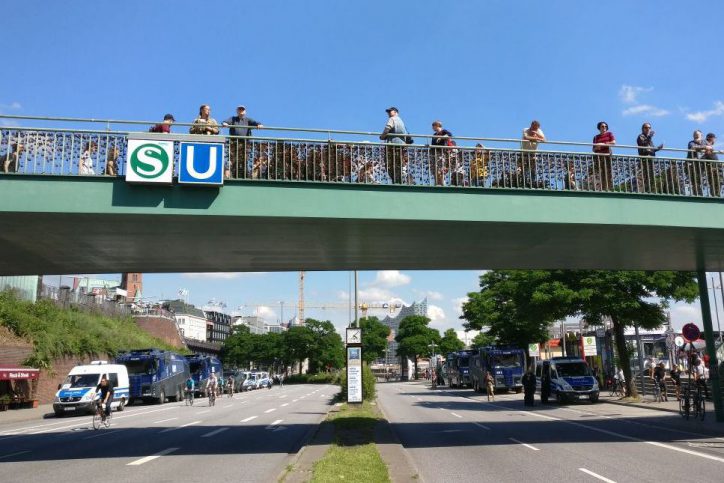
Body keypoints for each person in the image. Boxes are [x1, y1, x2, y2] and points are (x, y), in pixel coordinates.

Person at [223, 105, 264, 179]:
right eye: (240, 110)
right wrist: (225, 123)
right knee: (232, 159)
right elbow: (225, 122)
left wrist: (259, 124)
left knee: (245, 159)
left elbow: (256, 122)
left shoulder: (248, 120)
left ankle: (244, 175)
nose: (241, 111)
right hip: (234, 142)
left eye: (242, 110)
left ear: (245, 111)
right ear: (237, 111)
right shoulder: (233, 119)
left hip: (245, 143)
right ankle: (228, 175)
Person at [379, 107, 408, 184]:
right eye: (388, 112)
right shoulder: (401, 121)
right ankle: (400, 180)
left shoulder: (393, 119)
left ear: (395, 112)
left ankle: (396, 181)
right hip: (401, 145)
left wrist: (382, 136)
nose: (388, 113)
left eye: (390, 111)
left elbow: (387, 128)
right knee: (398, 163)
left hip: (392, 145)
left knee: (390, 164)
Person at [636, 122, 664, 193]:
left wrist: (658, 148)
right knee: (642, 176)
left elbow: (652, 149)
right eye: (646, 128)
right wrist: (649, 136)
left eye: (649, 128)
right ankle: (641, 192)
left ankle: (650, 191)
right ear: (642, 129)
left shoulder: (649, 139)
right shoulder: (641, 136)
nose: (648, 129)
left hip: (650, 159)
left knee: (650, 176)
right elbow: (643, 144)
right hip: (644, 159)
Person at [591, 121, 616, 190]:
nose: (604, 127)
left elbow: (614, 142)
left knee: (608, 172)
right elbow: (593, 149)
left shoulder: (609, 134)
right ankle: (601, 188)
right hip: (599, 156)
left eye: (605, 126)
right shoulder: (596, 137)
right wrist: (597, 147)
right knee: (599, 173)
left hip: (607, 155)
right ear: (599, 128)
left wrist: (603, 144)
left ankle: (609, 188)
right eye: (602, 126)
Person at [521, 120, 546, 188]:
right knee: (524, 169)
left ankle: (532, 184)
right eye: (534, 128)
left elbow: (544, 140)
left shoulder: (539, 131)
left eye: (536, 128)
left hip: (533, 154)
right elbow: (526, 137)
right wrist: (537, 138)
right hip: (524, 153)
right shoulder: (525, 130)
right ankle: (524, 184)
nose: (535, 129)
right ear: (531, 125)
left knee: (533, 170)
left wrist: (536, 134)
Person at [430, 120, 455, 186]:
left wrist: (441, 137)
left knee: (441, 168)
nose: (432, 128)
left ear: (437, 126)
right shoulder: (434, 135)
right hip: (435, 153)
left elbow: (450, 134)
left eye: (433, 126)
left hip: (442, 153)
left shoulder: (443, 131)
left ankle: (442, 183)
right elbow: (433, 145)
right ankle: (437, 183)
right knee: (436, 169)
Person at [702, 133, 723, 197]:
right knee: (714, 181)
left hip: (716, 166)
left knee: (719, 181)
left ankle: (716, 194)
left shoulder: (709, 145)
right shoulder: (705, 143)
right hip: (712, 167)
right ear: (711, 138)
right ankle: (715, 195)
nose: (715, 140)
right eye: (714, 138)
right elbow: (704, 153)